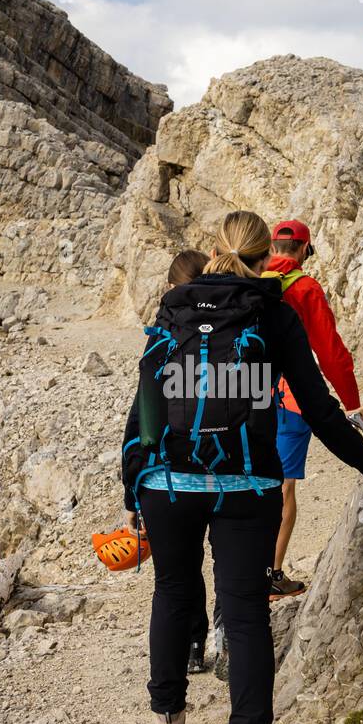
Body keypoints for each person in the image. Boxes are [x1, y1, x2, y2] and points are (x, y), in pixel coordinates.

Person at [121, 211, 363, 724]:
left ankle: (169, 722)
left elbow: (144, 408)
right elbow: (320, 409)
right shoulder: (271, 311)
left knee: (171, 590)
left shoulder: (173, 308)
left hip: (167, 481)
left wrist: (132, 490)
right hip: (246, 483)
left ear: (216, 248)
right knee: (244, 614)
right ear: (263, 253)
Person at [264, 219, 363, 599]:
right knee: (282, 486)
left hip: (249, 396)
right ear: (306, 250)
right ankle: (271, 573)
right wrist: (352, 403)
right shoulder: (305, 288)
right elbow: (330, 353)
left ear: (272, 246)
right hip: (292, 399)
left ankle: (239, 570)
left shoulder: (250, 277)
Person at [163, 249, 216, 674]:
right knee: (229, 559)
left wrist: (133, 487)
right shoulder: (235, 321)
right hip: (235, 467)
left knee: (182, 571)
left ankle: (194, 644)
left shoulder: (169, 328)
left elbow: (146, 409)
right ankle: (226, 634)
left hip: (179, 471)